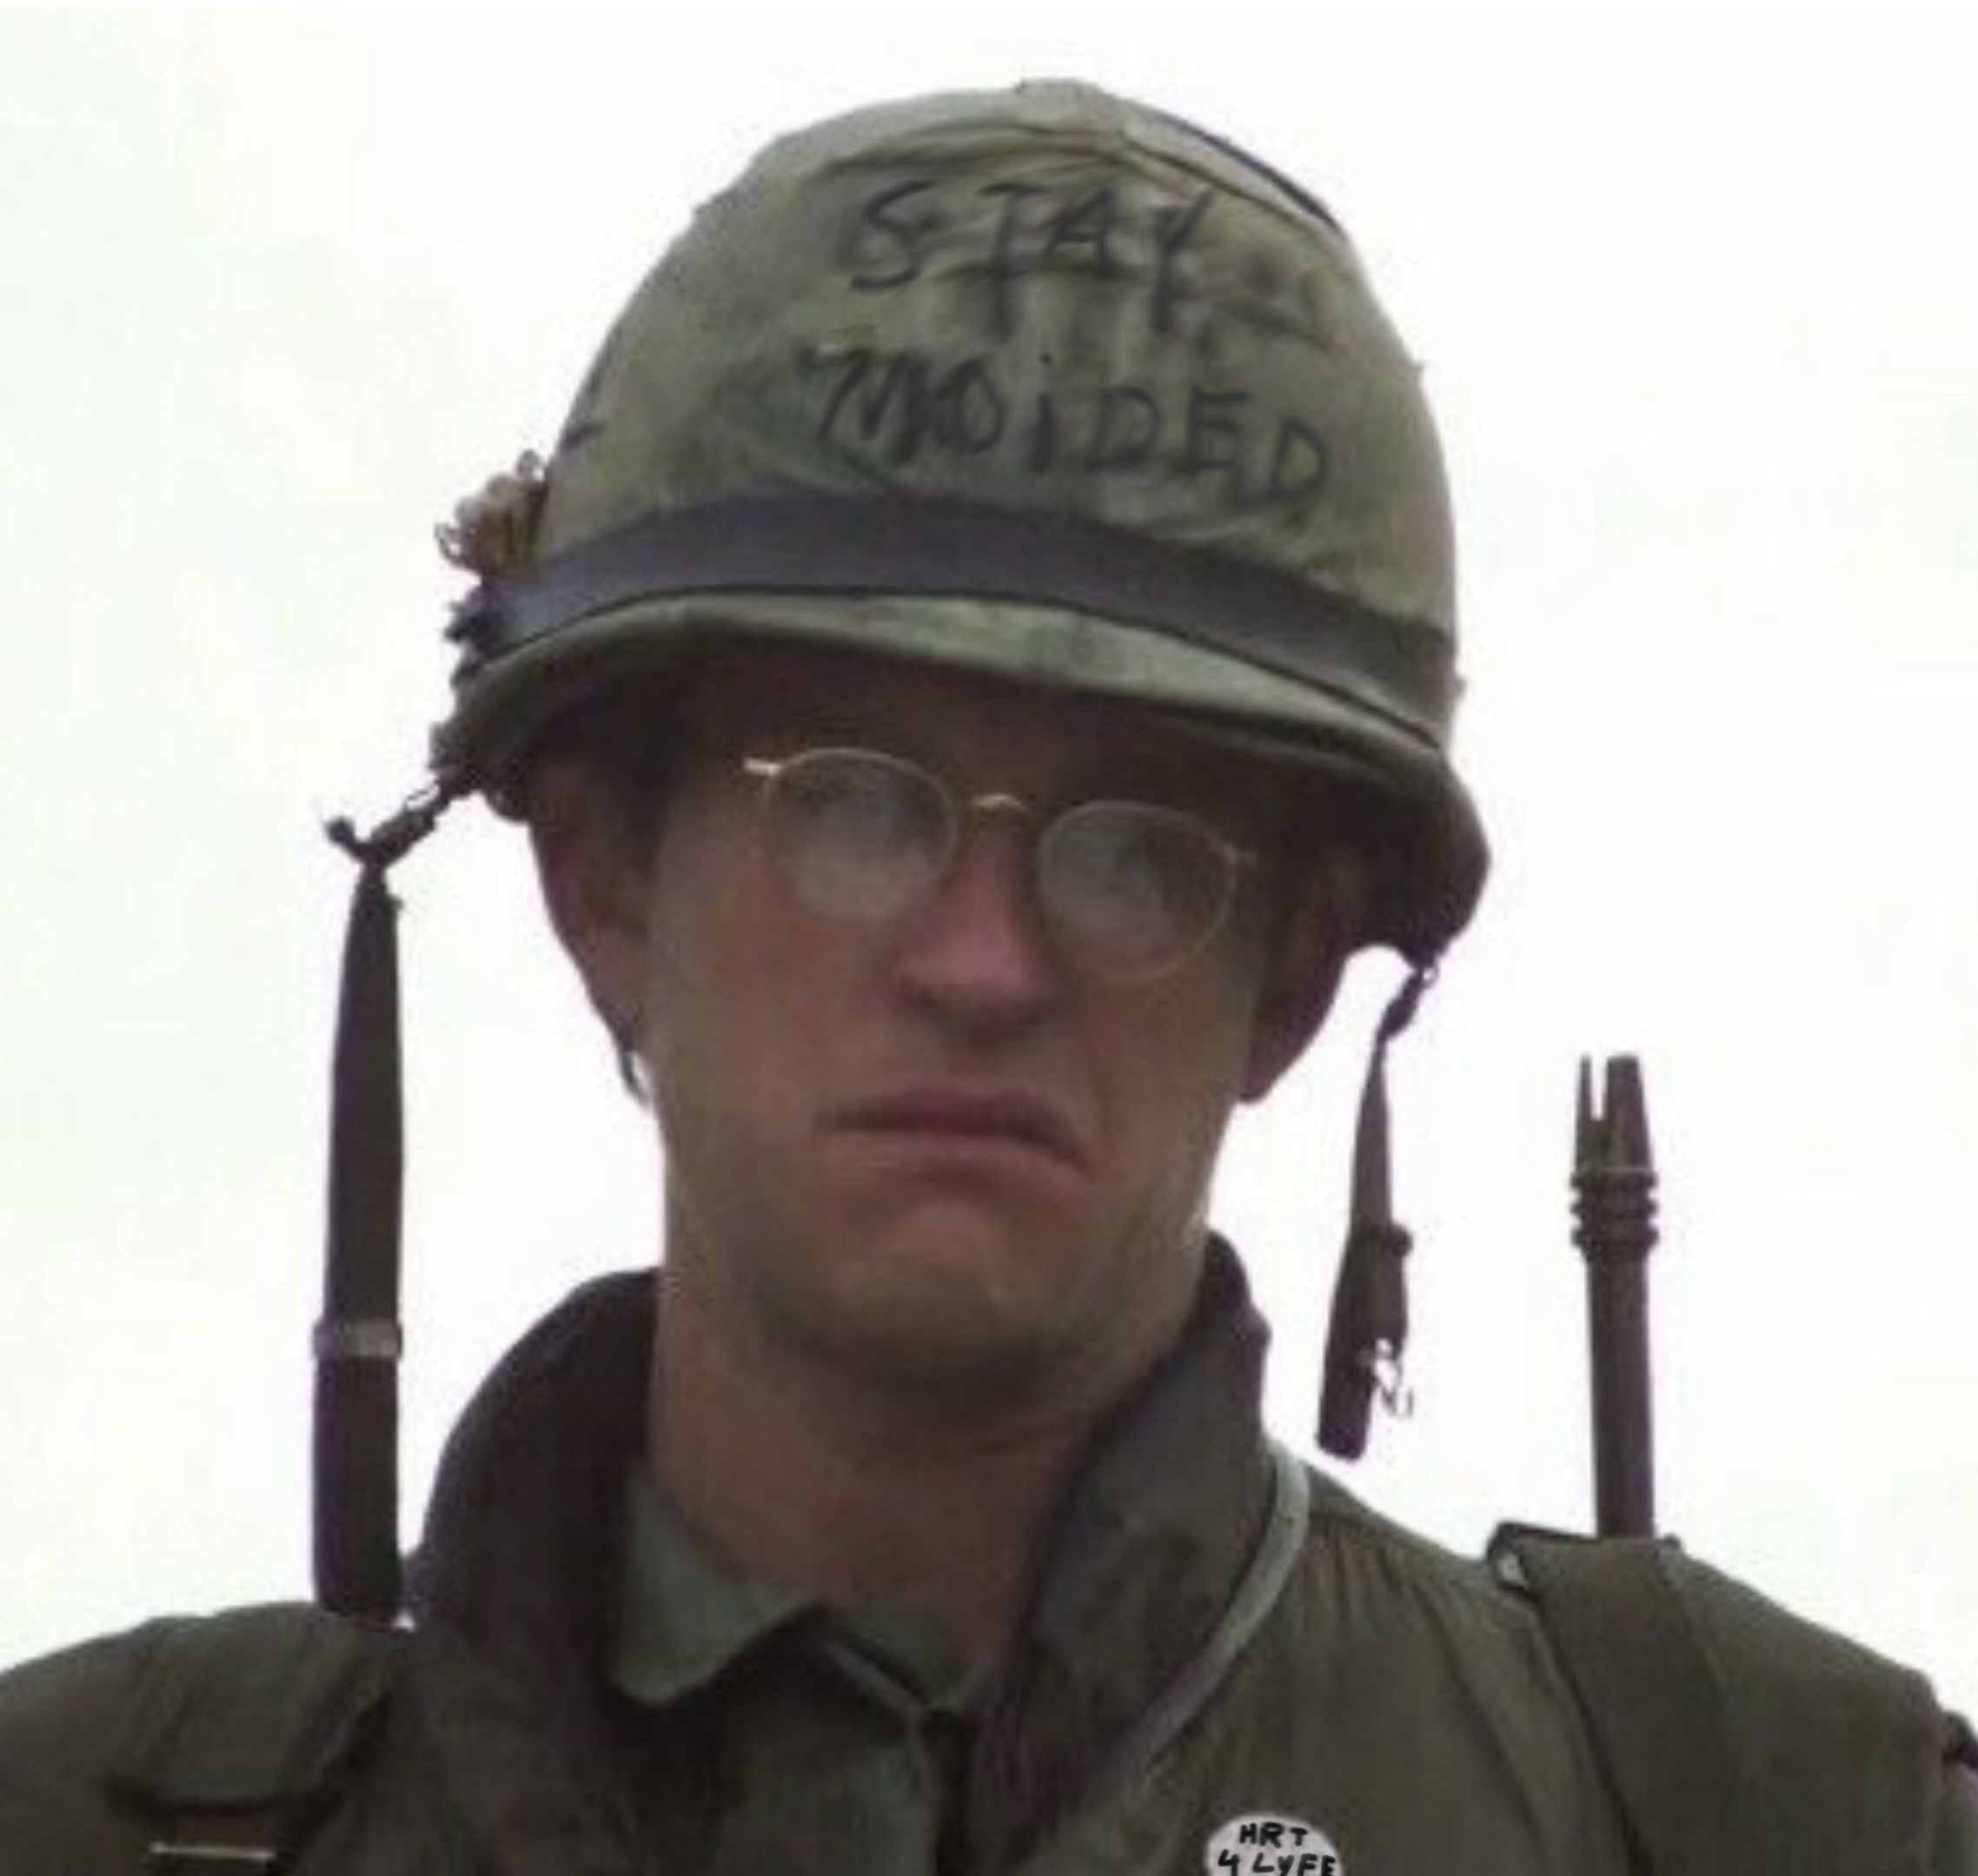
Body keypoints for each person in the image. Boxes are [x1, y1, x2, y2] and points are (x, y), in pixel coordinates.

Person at [0, 78, 1970, 1873]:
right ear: (604, 878)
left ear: (1289, 981)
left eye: (1135, 853)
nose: (981, 959)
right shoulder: (75, 1819)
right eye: (854, 805)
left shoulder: (1762, 1829)